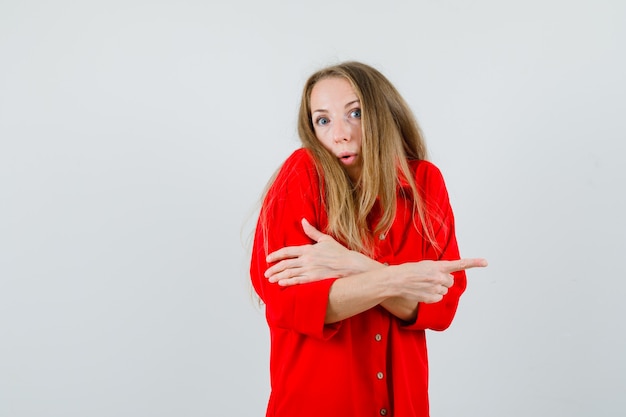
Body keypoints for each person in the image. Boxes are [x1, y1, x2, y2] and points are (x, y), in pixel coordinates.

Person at [250, 61, 487, 417]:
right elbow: (287, 302)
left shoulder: (425, 182)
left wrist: (355, 266)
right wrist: (399, 279)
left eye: (355, 113)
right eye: (323, 120)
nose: (340, 133)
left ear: (382, 112)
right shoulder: (299, 175)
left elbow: (439, 309)